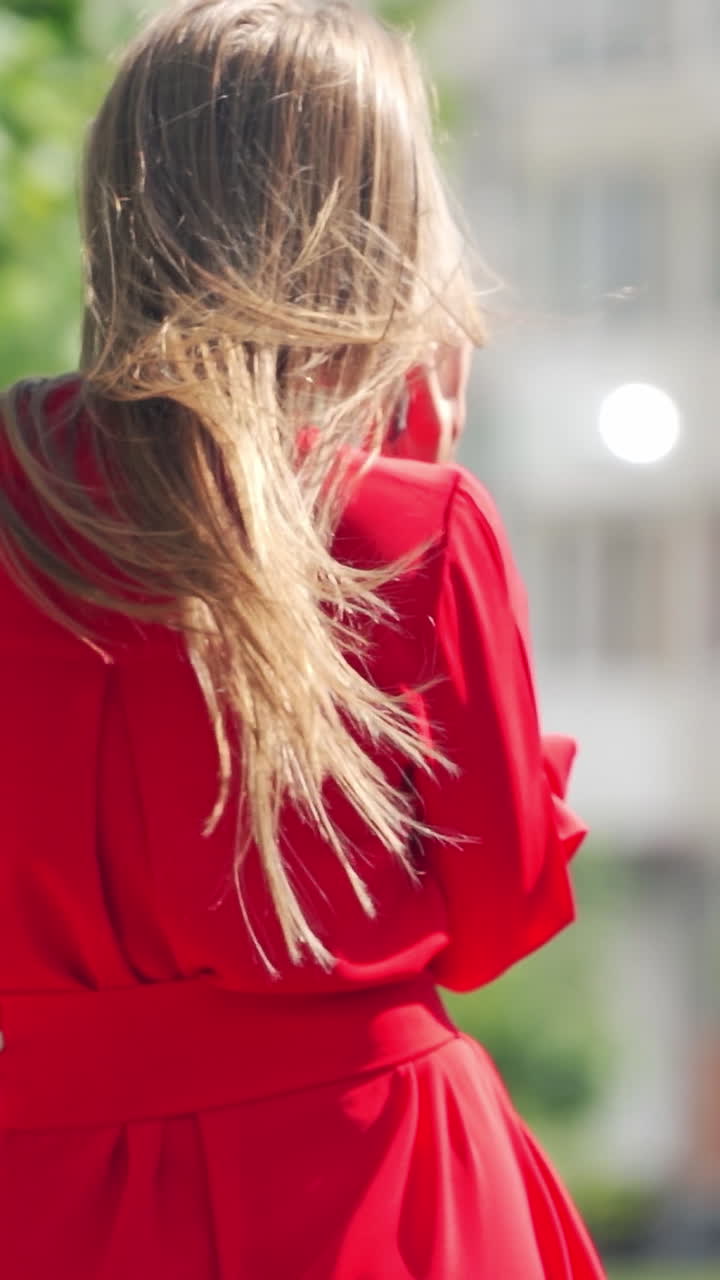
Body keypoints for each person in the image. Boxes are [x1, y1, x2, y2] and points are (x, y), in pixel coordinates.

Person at [0, 2, 607, 1276]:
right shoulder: (411, 522)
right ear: (369, 238)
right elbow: (494, 913)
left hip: (44, 1178)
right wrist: (414, 492)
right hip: (373, 1174)